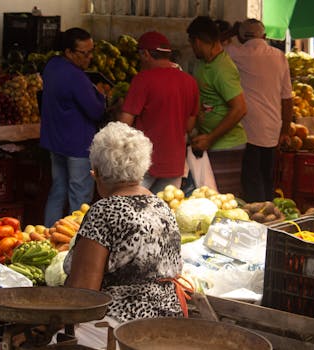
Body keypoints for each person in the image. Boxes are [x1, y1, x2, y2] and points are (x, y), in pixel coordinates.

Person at [64, 121, 190, 349]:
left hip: (118, 329)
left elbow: (83, 296)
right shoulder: (162, 207)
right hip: (167, 325)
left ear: (99, 172)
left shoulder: (104, 211)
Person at [40, 28, 106, 227]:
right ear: (68, 52)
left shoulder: (52, 66)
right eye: (84, 53)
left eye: (91, 52)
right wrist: (101, 95)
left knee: (58, 190)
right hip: (78, 145)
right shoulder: (76, 77)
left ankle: (49, 233)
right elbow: (95, 111)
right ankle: (75, 240)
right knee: (80, 196)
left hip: (55, 141)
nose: (89, 58)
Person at [118, 31, 199, 193]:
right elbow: (189, 125)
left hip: (144, 162)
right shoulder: (189, 81)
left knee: (132, 209)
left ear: (146, 54)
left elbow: (123, 124)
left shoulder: (143, 79)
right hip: (174, 162)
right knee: (164, 211)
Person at [224, 19, 293, 202]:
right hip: (272, 128)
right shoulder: (279, 56)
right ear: (264, 36)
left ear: (241, 36)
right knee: (267, 178)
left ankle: (258, 219)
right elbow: (287, 98)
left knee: (251, 180)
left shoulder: (235, 53)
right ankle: (270, 217)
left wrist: (233, 31)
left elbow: (219, 42)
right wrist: (285, 130)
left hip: (248, 129)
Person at [186, 16, 247, 179]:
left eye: (191, 44)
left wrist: (210, 138)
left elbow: (240, 108)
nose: (192, 48)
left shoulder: (223, 69)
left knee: (223, 200)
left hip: (227, 146)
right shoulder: (202, 63)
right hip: (209, 144)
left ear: (197, 42)